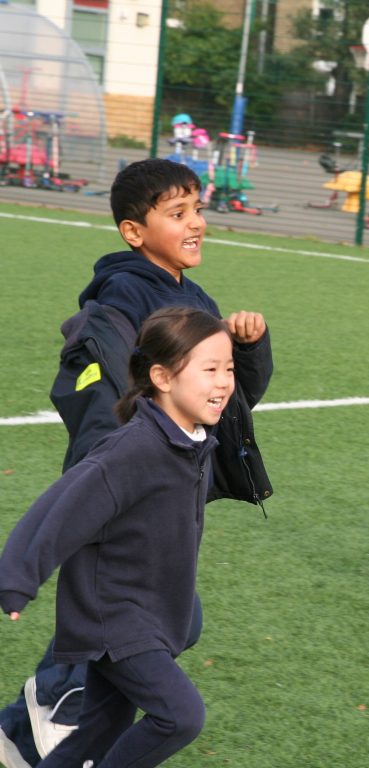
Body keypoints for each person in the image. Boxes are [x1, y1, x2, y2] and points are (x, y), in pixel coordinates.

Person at [0, 158, 273, 768]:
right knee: (138, 649)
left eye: (198, 208)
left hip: (165, 482)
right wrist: (125, 459)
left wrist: (249, 352)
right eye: (177, 213)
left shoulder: (191, 296)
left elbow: (231, 400)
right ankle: (36, 710)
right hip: (130, 482)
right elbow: (108, 391)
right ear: (133, 231)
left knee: (172, 625)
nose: (196, 222)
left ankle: (22, 729)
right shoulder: (124, 294)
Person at [0, 307, 235, 768]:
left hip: (149, 615)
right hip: (114, 620)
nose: (225, 381)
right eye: (210, 369)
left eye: (228, 368)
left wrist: (253, 350)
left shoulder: (191, 440)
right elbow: (62, 508)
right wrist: (17, 578)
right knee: (181, 717)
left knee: (99, 732)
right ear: (162, 377)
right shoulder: (135, 448)